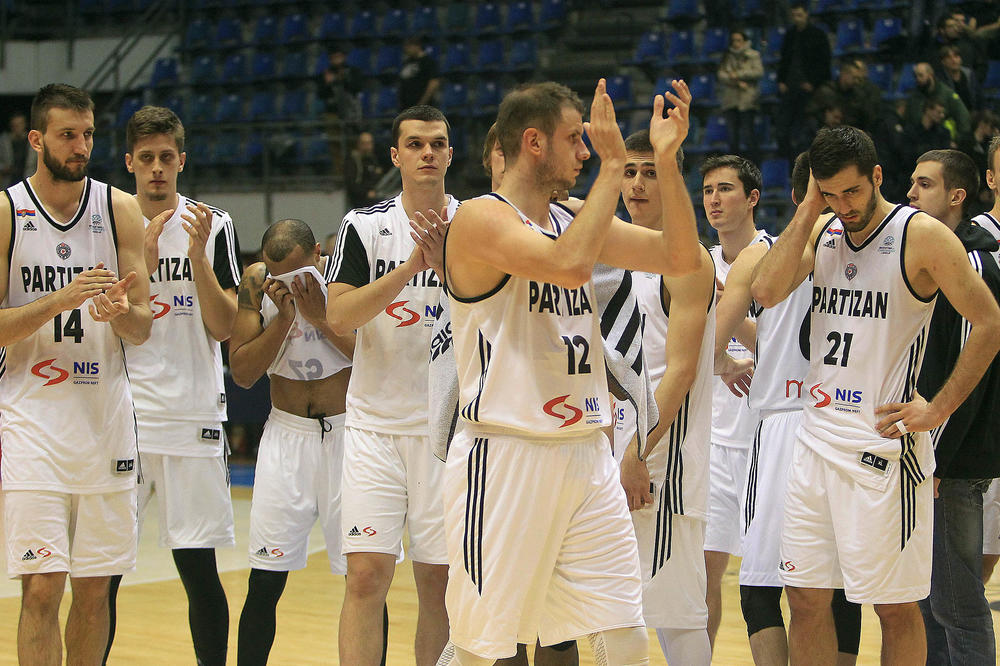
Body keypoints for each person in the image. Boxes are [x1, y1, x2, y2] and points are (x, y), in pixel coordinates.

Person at [433, 78, 702, 665]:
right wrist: (611, 168)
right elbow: (569, 265)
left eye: (589, 141)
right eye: (576, 138)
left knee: (623, 629)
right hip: (505, 454)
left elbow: (680, 256)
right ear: (533, 142)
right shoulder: (480, 218)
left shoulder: (570, 217)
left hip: (586, 451)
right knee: (482, 647)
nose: (587, 151)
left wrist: (667, 161)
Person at [750, 125, 1000, 664]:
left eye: (853, 192)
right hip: (815, 442)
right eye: (830, 194)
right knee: (805, 598)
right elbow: (766, 291)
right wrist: (810, 210)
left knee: (895, 607)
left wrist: (938, 407)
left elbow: (989, 321)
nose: (844, 205)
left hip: (884, 450)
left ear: (878, 177)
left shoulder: (921, 235)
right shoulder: (822, 231)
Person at [0, 83, 153, 664]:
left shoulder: (119, 209)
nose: (81, 146)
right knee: (42, 587)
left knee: (95, 592)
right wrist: (59, 301)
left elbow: (142, 329)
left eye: (88, 134)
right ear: (37, 139)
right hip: (31, 419)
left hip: (105, 422)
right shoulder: (6, 211)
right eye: (68, 135)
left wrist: (119, 316)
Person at [106, 105, 243, 665]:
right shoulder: (109, 223)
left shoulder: (214, 225)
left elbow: (225, 326)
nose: (157, 168)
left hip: (192, 415)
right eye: (146, 159)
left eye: (166, 157)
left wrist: (195, 258)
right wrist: (145, 255)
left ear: (182, 161)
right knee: (103, 572)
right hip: (122, 415)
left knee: (198, 570)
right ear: (129, 163)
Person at [713, 152, 861, 666]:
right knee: (837, 587)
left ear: (795, 197)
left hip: (783, 423)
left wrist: (725, 360)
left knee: (760, 589)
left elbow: (712, 344)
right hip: (847, 420)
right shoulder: (871, 250)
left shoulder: (764, 255)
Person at [328, 105, 459, 666]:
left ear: (450, 154)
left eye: (437, 143)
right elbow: (339, 316)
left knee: (439, 581)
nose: (427, 153)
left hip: (450, 433)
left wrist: (447, 261)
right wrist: (411, 267)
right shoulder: (363, 226)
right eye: (415, 144)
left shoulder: (476, 222)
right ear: (396, 156)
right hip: (375, 428)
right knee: (365, 576)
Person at [229, 218, 359, 665]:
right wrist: (284, 320)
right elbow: (243, 373)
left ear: (319, 258)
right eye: (278, 274)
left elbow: (372, 360)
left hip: (347, 435)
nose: (288, 284)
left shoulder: (345, 278)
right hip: (286, 435)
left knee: (363, 579)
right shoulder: (255, 283)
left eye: (299, 274)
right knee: (264, 580)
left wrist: (320, 317)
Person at [616, 129, 715, 665]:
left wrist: (637, 451)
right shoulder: (611, 250)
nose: (637, 183)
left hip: (661, 456)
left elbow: (677, 373)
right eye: (629, 171)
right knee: (615, 606)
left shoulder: (687, 260)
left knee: (675, 613)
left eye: (650, 171)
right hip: (609, 443)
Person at [907, 149, 1000, 665]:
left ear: (958, 194)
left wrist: (934, 453)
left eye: (924, 185)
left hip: (953, 457)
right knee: (932, 602)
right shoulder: (952, 252)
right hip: (952, 451)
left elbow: (966, 363)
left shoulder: (969, 257)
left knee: (956, 605)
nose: (911, 195)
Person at [699, 154, 764, 650]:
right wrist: (720, 360)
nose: (714, 200)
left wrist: (731, 301)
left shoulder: (781, 257)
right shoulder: (697, 262)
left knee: (771, 583)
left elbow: (787, 344)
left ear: (753, 197)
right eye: (707, 191)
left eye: (725, 189)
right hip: (715, 443)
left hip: (769, 438)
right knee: (704, 579)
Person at [776, 2, 831, 160]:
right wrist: (782, 81)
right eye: (794, 16)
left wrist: (813, 83)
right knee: (783, 130)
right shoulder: (790, 35)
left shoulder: (817, 35)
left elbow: (823, 62)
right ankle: (788, 164)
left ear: (807, 14)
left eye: (799, 15)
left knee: (804, 131)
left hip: (809, 91)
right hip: (790, 88)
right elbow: (784, 60)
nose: (796, 19)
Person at [717, 29, 763, 164]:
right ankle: (734, 168)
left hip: (747, 100)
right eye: (733, 41)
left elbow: (758, 72)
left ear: (744, 41)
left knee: (749, 135)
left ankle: (754, 167)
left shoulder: (753, 55)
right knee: (732, 138)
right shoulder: (727, 56)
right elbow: (722, 75)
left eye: (739, 40)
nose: (736, 43)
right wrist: (737, 82)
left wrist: (738, 75)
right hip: (730, 100)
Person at [904, 63, 971, 145]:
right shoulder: (914, 97)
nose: (918, 79)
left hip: (942, 140)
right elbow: (908, 121)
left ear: (930, 74)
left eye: (921, 75)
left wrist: (957, 140)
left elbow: (963, 116)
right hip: (918, 142)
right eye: (916, 76)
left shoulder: (946, 94)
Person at [345, 131, 386, 210]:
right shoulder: (353, 160)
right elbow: (351, 183)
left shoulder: (373, 159)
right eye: (364, 143)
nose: (368, 147)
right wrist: (366, 193)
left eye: (369, 143)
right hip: (359, 199)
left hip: (373, 194)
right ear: (359, 144)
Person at [399, 36, 441, 109]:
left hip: (423, 106)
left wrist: (423, 102)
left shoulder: (428, 62)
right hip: (406, 106)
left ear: (417, 46)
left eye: (408, 47)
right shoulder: (407, 62)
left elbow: (434, 83)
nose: (406, 49)